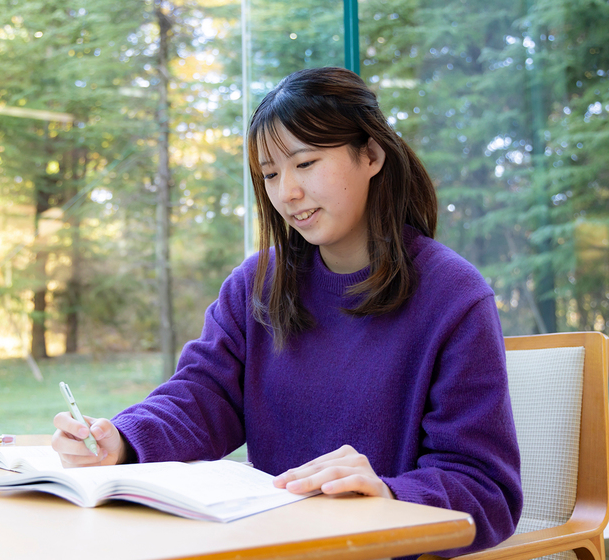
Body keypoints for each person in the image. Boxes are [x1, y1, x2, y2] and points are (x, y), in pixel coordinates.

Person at [52, 66, 522, 555]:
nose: (286, 193)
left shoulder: (454, 296)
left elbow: (486, 491)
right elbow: (202, 396)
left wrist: (387, 493)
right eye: (271, 174)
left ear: (371, 155)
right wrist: (121, 439)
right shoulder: (257, 284)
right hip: (265, 544)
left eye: (306, 163)